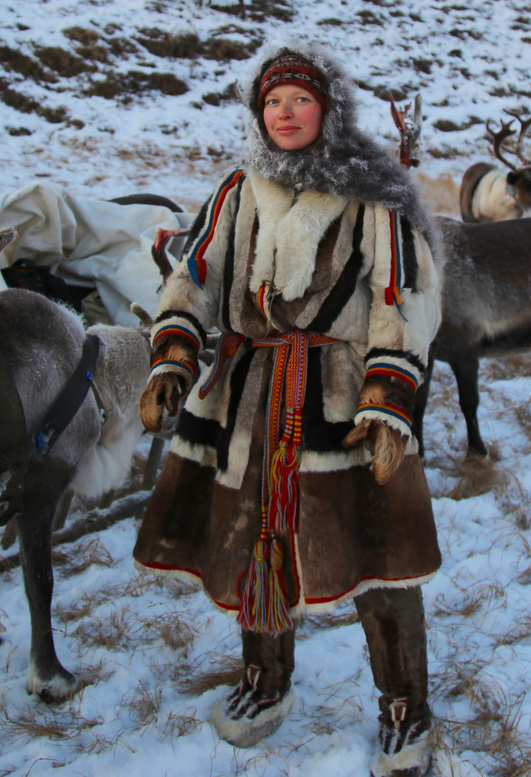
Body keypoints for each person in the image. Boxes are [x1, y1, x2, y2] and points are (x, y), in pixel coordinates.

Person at [134, 41, 443, 776]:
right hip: (245, 398)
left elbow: (405, 293)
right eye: (272, 102)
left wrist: (389, 396)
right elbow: (196, 272)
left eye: (300, 99)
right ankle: (264, 680)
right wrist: (175, 354)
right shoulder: (238, 190)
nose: (285, 113)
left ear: (328, 110)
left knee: (377, 559)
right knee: (248, 545)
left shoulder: (376, 194)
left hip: (343, 400)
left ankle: (405, 704)